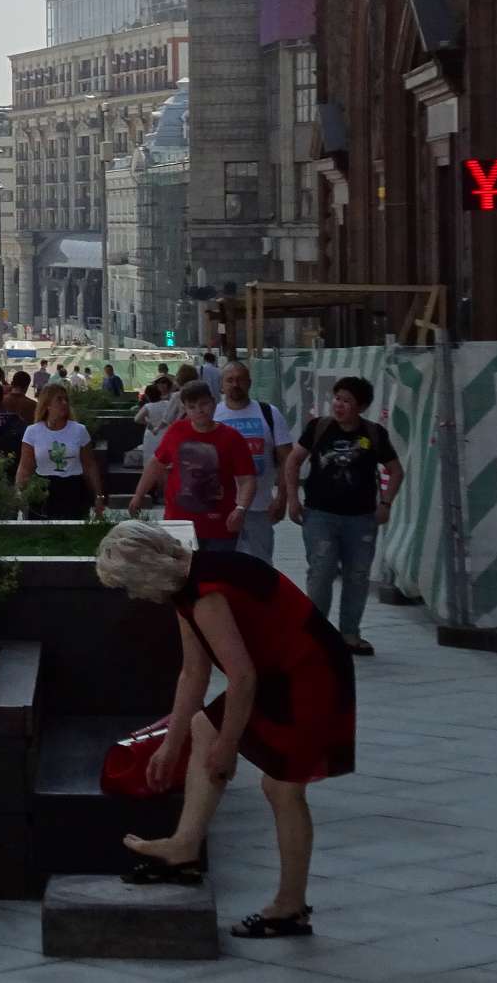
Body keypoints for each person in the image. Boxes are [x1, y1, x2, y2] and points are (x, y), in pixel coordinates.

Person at [95, 521, 353, 941]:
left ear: (146, 571)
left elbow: (242, 677)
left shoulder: (207, 592)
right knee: (203, 727)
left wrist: (228, 746)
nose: (133, 595)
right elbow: (193, 673)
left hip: (311, 672)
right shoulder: (185, 585)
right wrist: (171, 745)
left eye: (129, 585)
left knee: (282, 787)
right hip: (277, 670)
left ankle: (290, 908)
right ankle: (184, 848)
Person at [280, 376, 404, 657]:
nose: (339, 405)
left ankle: (350, 633)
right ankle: (318, 635)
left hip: (361, 519)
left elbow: (396, 470)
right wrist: (292, 499)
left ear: (361, 407)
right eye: (337, 398)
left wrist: (385, 503)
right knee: (321, 573)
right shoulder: (319, 428)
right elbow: (293, 460)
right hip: (320, 515)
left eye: (347, 401)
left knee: (357, 576)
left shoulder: (374, 434)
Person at [129, 381, 257, 553]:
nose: (199, 410)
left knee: (218, 569)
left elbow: (247, 478)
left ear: (213, 403)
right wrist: (139, 495)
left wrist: (241, 509)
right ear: (185, 409)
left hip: (220, 526)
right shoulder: (176, 431)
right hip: (179, 524)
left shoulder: (232, 438)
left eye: (203, 404)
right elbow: (156, 463)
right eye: (192, 406)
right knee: (182, 569)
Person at [213, 360, 286, 564]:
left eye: (240, 379)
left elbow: (287, 459)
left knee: (260, 566)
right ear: (222, 385)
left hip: (260, 508)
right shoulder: (213, 415)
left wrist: (282, 497)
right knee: (223, 566)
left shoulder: (270, 413)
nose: (235, 384)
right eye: (230, 380)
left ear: (249, 383)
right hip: (221, 508)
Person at [16, 383, 103, 519]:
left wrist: (98, 496)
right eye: (59, 399)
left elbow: (89, 465)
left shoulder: (79, 430)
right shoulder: (32, 431)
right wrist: (20, 493)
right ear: (47, 404)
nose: (64, 403)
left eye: (66, 399)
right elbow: (25, 467)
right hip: (43, 490)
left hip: (73, 489)